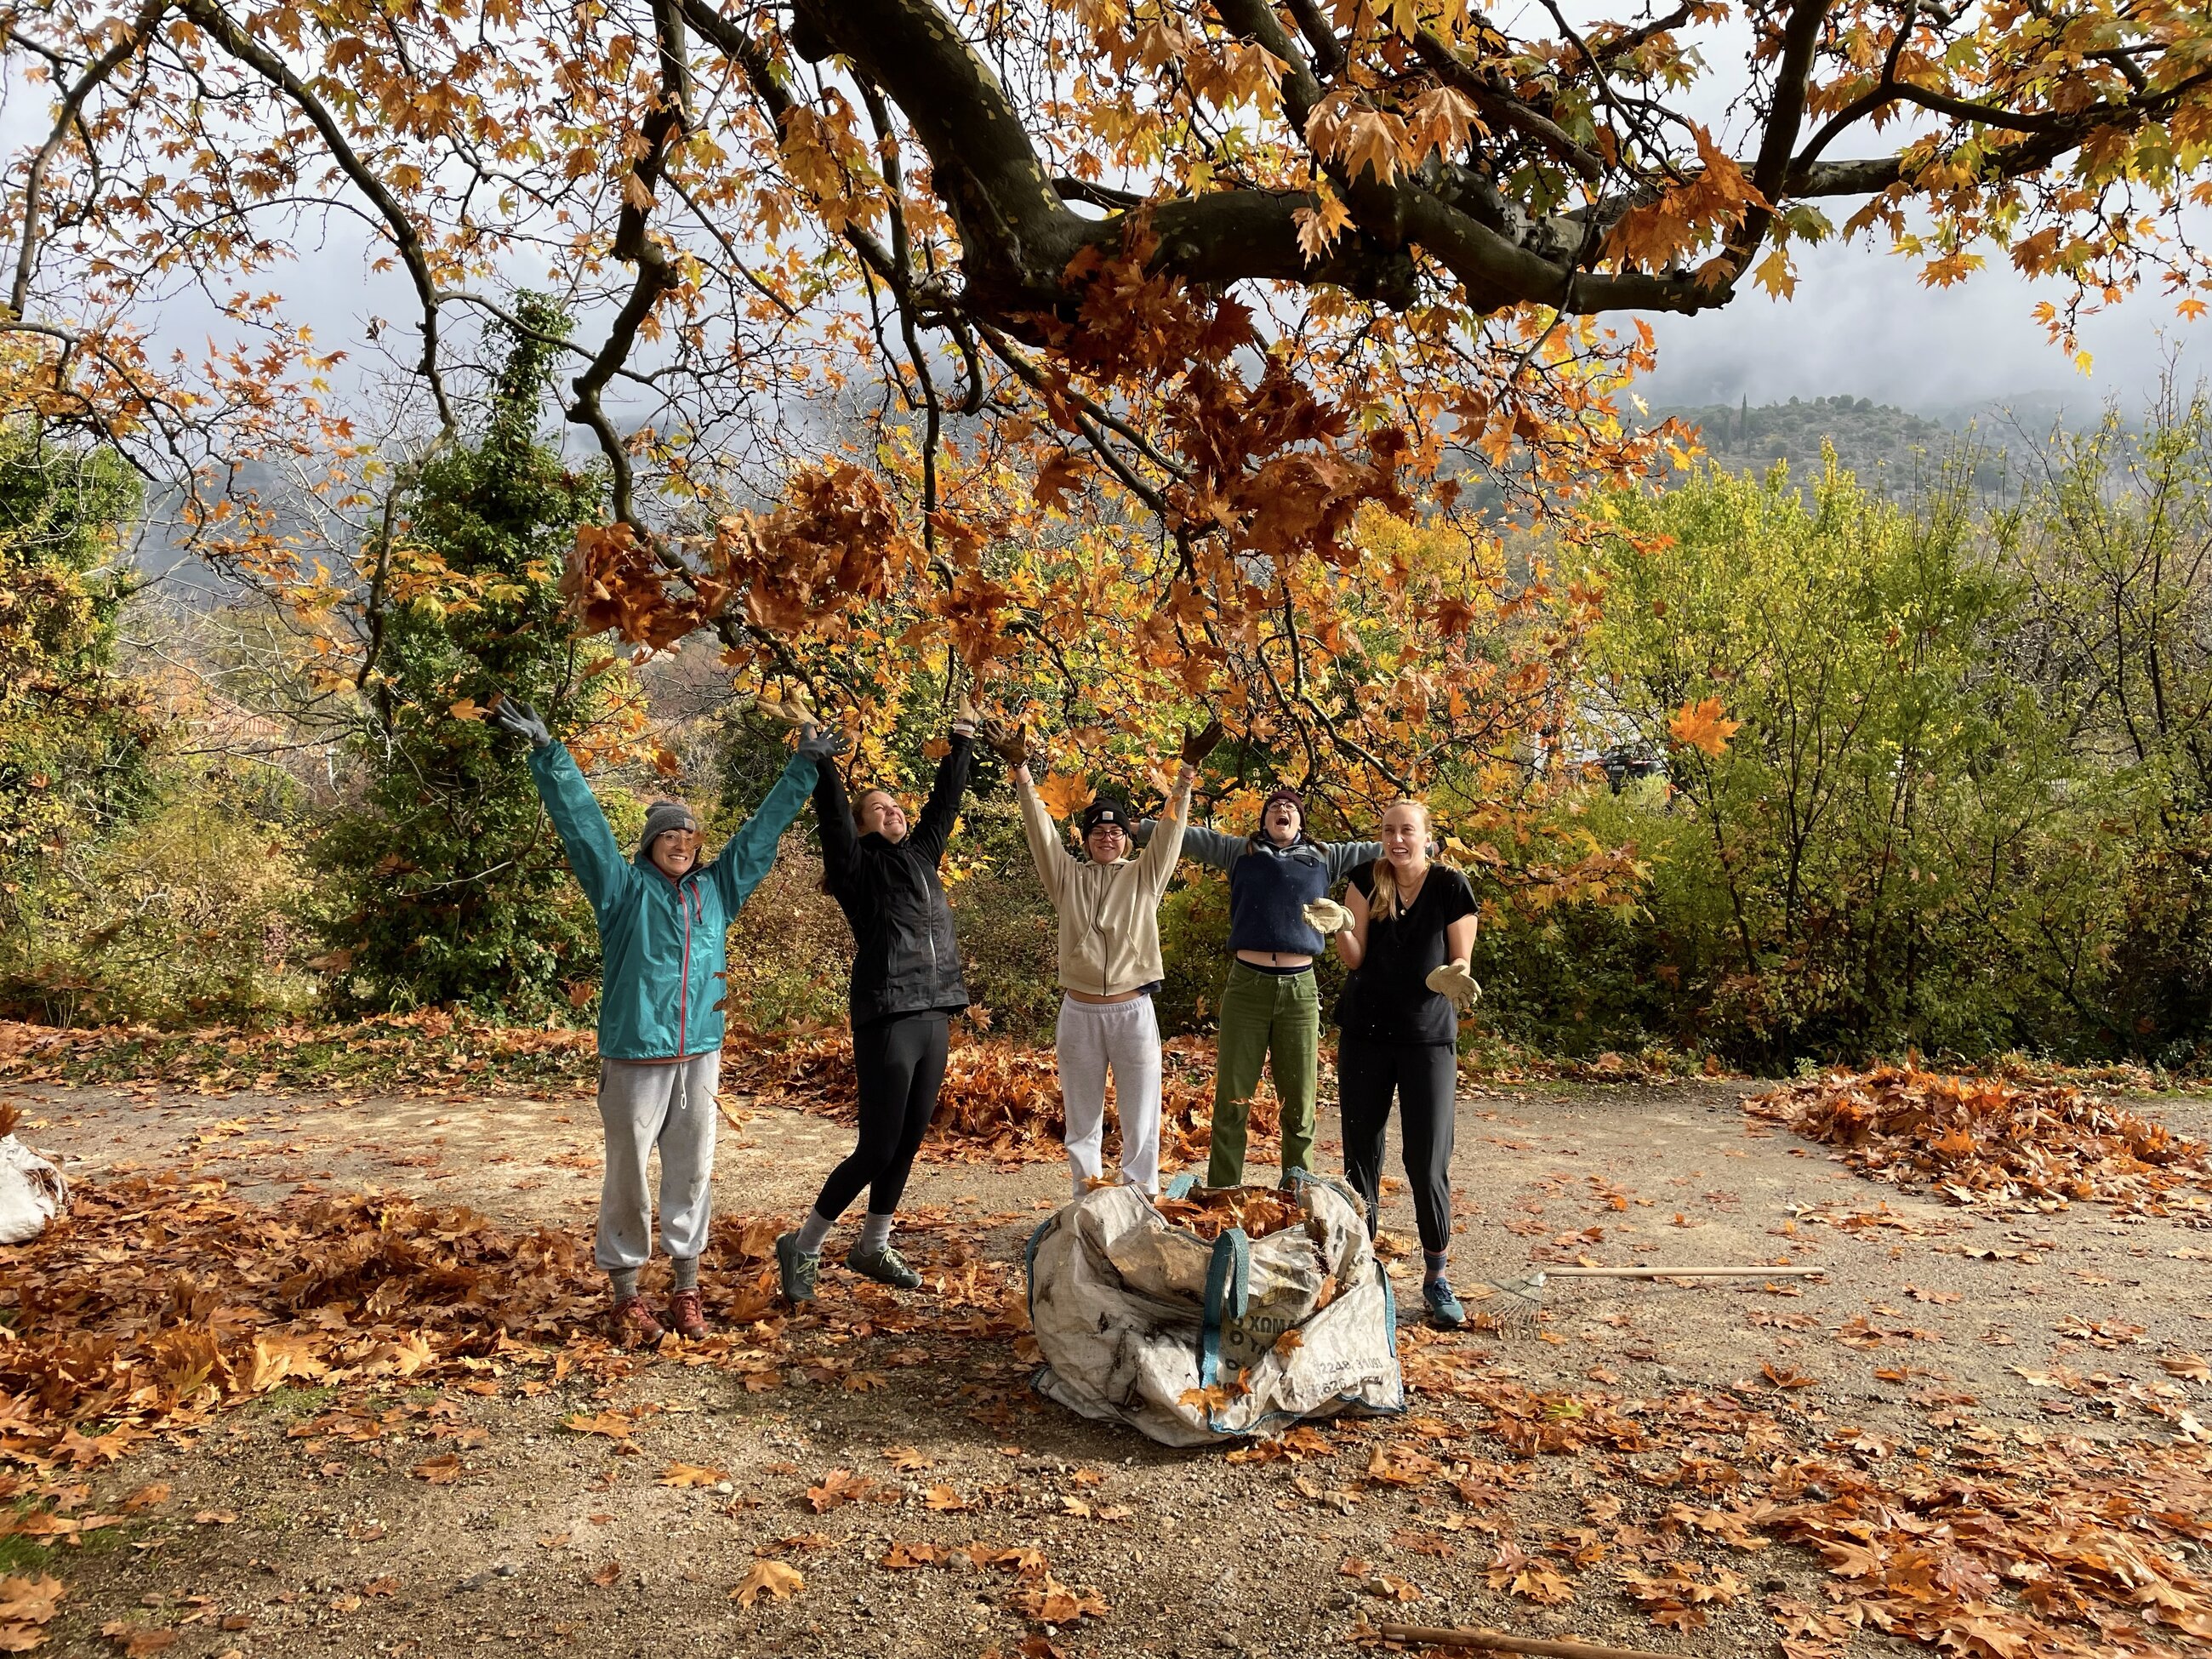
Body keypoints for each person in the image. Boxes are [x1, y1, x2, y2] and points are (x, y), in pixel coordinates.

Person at [491, 693, 841, 1349]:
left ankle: (685, 1286)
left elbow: (760, 838)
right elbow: (585, 828)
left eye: (689, 837)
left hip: (698, 1055)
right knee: (627, 1177)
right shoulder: (621, 891)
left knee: (693, 1171)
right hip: (634, 1056)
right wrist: (550, 755)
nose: (680, 843)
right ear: (651, 844)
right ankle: (626, 1296)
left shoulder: (717, 891)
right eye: (668, 836)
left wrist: (804, 767)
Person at [777, 704, 978, 1303]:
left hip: (936, 1011)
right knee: (877, 1145)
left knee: (910, 1138)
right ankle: (805, 1244)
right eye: (878, 809)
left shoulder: (922, 856)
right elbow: (834, 821)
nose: (892, 811)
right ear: (864, 826)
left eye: (895, 805)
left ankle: (873, 1244)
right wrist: (823, 766)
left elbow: (945, 804)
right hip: (888, 1011)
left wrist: (961, 741)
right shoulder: (856, 869)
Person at [990, 720, 1220, 1198]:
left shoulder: (1144, 877)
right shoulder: (1067, 879)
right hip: (1079, 1013)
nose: (1108, 836)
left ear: (1126, 841)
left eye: (1116, 830)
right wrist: (1021, 771)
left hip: (1132, 1010)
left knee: (1141, 1120)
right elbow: (1041, 835)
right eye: (1098, 830)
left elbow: (1172, 833)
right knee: (1082, 1119)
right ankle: (1088, 1201)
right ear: (1086, 838)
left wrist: (1188, 771)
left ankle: (1140, 1201)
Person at [1160, 790, 1380, 1188]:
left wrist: (1425, 845)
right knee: (1232, 1099)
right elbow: (1184, 836)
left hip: (1299, 990)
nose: (1283, 811)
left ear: (1300, 822)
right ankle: (1222, 1193)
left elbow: (1378, 850)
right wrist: (1132, 828)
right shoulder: (1239, 852)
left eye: (1291, 808)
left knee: (1299, 1104)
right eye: (1274, 808)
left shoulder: (1323, 856)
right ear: (1263, 821)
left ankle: (1299, 1193)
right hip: (1247, 986)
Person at [1326, 798, 1480, 1327]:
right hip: (1365, 1034)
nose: (1397, 839)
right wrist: (1340, 927)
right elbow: (1355, 955)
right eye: (1389, 830)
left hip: (1427, 1040)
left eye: (1407, 830)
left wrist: (1454, 975)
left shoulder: (1450, 886)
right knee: (1361, 1153)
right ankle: (1360, 1274)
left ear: (1426, 837)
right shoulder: (1365, 878)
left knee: (1427, 1158)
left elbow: (1462, 957)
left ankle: (1436, 1278)